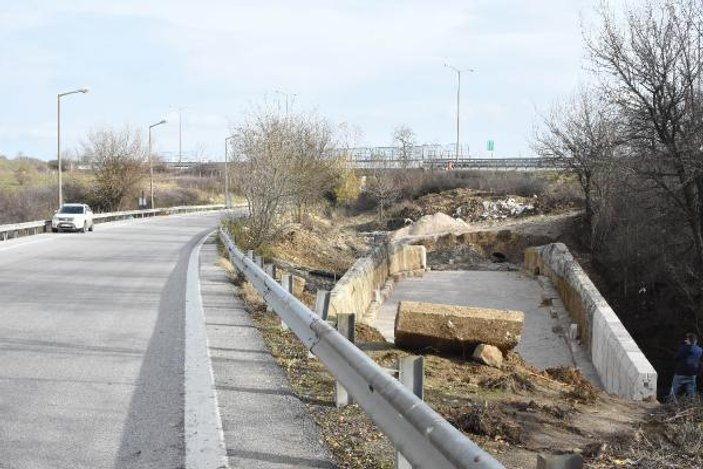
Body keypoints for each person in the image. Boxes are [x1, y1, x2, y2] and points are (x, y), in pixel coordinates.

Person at [669, 332, 703, 400]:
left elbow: (676, 358)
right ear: (696, 340)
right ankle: (692, 404)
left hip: (681, 372)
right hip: (692, 373)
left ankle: (671, 402)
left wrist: (684, 345)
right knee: (691, 390)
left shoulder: (683, 348)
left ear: (687, 340)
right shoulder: (700, 350)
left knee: (674, 389)